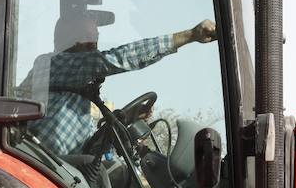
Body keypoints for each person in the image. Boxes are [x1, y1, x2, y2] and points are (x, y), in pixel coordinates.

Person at [24, 12, 216, 155]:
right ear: (70, 41)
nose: (95, 48)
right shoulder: (52, 64)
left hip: (61, 166)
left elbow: (89, 145)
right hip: (45, 163)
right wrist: (190, 35)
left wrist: (126, 117)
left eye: (96, 41)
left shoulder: (70, 95)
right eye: (91, 41)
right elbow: (119, 58)